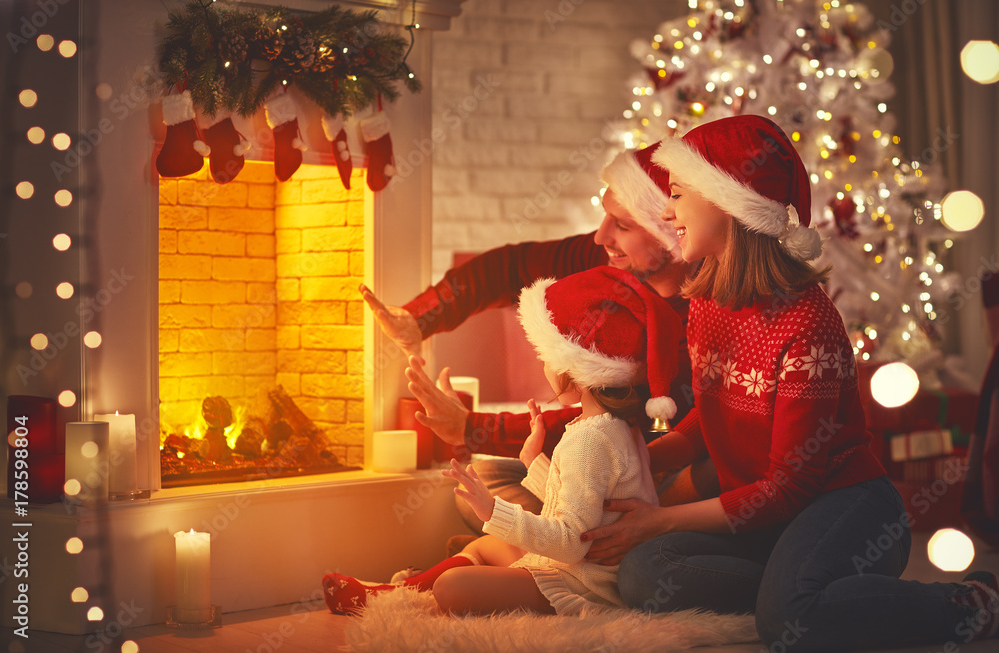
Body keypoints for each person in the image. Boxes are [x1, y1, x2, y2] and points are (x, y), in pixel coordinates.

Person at [579, 115, 999, 649]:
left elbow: (790, 486)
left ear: (729, 202)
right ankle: (813, 589)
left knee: (788, 624)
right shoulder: (707, 301)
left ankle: (967, 603)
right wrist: (632, 459)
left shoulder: (807, 323)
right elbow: (709, 424)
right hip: (768, 520)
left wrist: (659, 518)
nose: (667, 212)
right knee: (645, 572)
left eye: (679, 195)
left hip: (846, 507)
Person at [361, 143, 713, 534]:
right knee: (484, 479)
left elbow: (605, 423)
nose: (600, 236)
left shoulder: (704, 314)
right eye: (605, 217)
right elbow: (510, 267)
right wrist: (420, 316)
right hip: (597, 457)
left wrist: (472, 427)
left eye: (623, 225)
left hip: (651, 465)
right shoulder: (611, 256)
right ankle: (537, 548)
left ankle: (557, 550)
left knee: (504, 500)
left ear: (670, 233)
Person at [323, 266, 683, 615]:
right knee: (489, 544)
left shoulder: (589, 439)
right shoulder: (619, 427)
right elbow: (589, 510)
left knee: (453, 587)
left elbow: (573, 541)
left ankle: (398, 592)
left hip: (584, 583)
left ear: (572, 368)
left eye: (545, 357)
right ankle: (392, 594)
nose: (542, 365)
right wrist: (533, 461)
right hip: (587, 569)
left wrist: (492, 510)